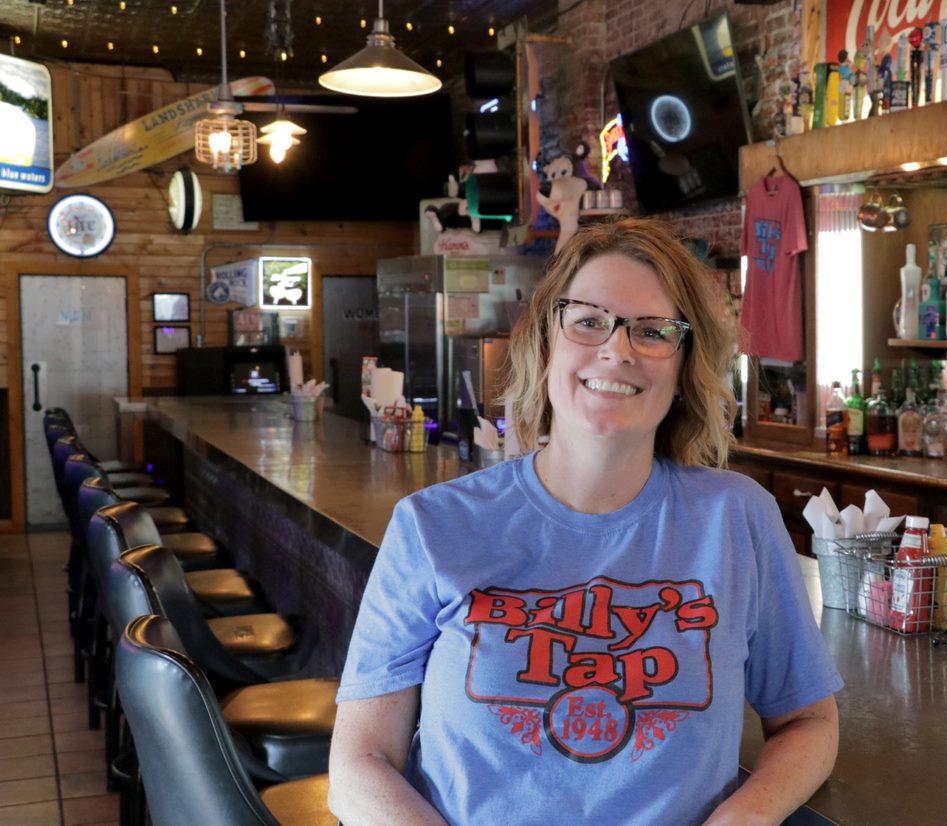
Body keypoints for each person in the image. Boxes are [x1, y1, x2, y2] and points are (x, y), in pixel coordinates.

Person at [328, 218, 842, 825]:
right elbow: (359, 763)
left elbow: (809, 722)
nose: (617, 350)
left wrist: (745, 817)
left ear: (683, 368)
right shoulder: (432, 525)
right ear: (546, 343)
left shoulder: (736, 517)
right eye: (590, 321)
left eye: (653, 332)